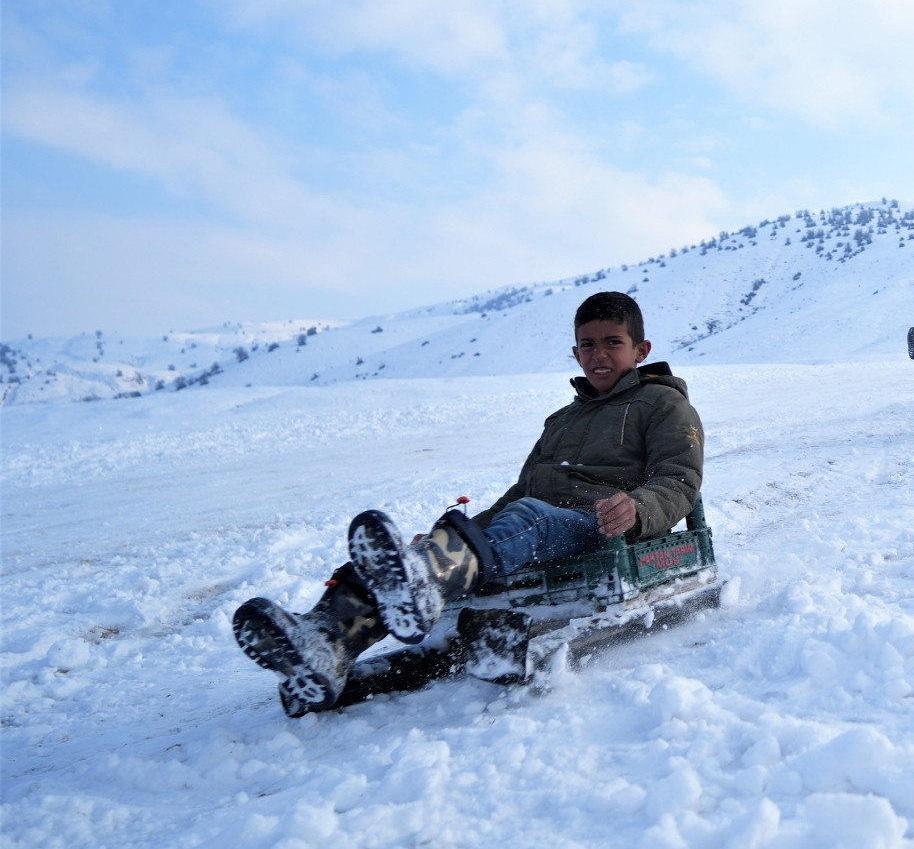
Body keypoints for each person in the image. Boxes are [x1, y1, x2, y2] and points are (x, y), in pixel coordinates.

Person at [232, 291, 705, 713]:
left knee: (529, 520)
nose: (598, 355)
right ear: (575, 350)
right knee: (476, 532)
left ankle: (426, 581)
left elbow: (679, 481)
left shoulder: (664, 405)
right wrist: (448, 541)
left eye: (612, 343)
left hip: (599, 529)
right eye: (588, 345)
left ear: (641, 350)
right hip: (540, 523)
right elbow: (521, 492)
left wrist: (636, 509)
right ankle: (328, 639)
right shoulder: (562, 419)